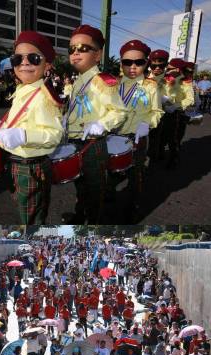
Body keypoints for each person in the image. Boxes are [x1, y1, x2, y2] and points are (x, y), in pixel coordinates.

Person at [0, 31, 63, 224]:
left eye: (34, 58)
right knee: (23, 209)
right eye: (18, 59)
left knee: (32, 218)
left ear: (47, 65)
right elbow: (21, 119)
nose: (24, 63)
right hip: (15, 162)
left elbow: (55, 135)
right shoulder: (23, 89)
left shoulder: (43, 96)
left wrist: (24, 135)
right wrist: (1, 126)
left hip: (31, 166)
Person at [64, 24, 127, 224]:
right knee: (80, 184)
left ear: (97, 55)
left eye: (83, 48)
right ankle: (80, 212)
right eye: (71, 49)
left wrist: (102, 124)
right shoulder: (77, 81)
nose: (75, 53)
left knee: (94, 187)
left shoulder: (102, 80)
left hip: (93, 143)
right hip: (75, 140)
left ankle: (94, 221)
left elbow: (119, 111)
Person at [116, 40, 163, 221]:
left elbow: (157, 112)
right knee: (111, 172)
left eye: (139, 62)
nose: (133, 67)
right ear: (121, 64)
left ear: (146, 63)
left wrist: (147, 124)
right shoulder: (114, 84)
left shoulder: (151, 86)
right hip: (114, 136)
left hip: (137, 137)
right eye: (127, 62)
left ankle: (132, 206)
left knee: (135, 174)